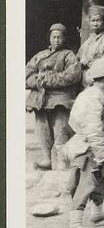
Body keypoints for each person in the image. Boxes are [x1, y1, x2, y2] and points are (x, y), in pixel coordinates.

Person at [62, 58, 104, 228]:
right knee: (86, 183)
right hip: (89, 147)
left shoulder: (100, 94)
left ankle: (97, 212)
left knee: (102, 178)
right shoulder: (93, 96)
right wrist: (100, 150)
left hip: (97, 142)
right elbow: (92, 126)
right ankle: (75, 222)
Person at [25, 23, 82, 170]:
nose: (56, 40)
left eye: (59, 37)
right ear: (49, 38)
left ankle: (61, 159)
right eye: (54, 37)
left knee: (60, 128)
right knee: (42, 127)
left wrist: (47, 80)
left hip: (60, 96)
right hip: (40, 97)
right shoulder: (40, 56)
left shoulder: (69, 55)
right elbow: (27, 75)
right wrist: (38, 80)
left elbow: (73, 75)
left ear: (64, 39)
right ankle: (46, 158)